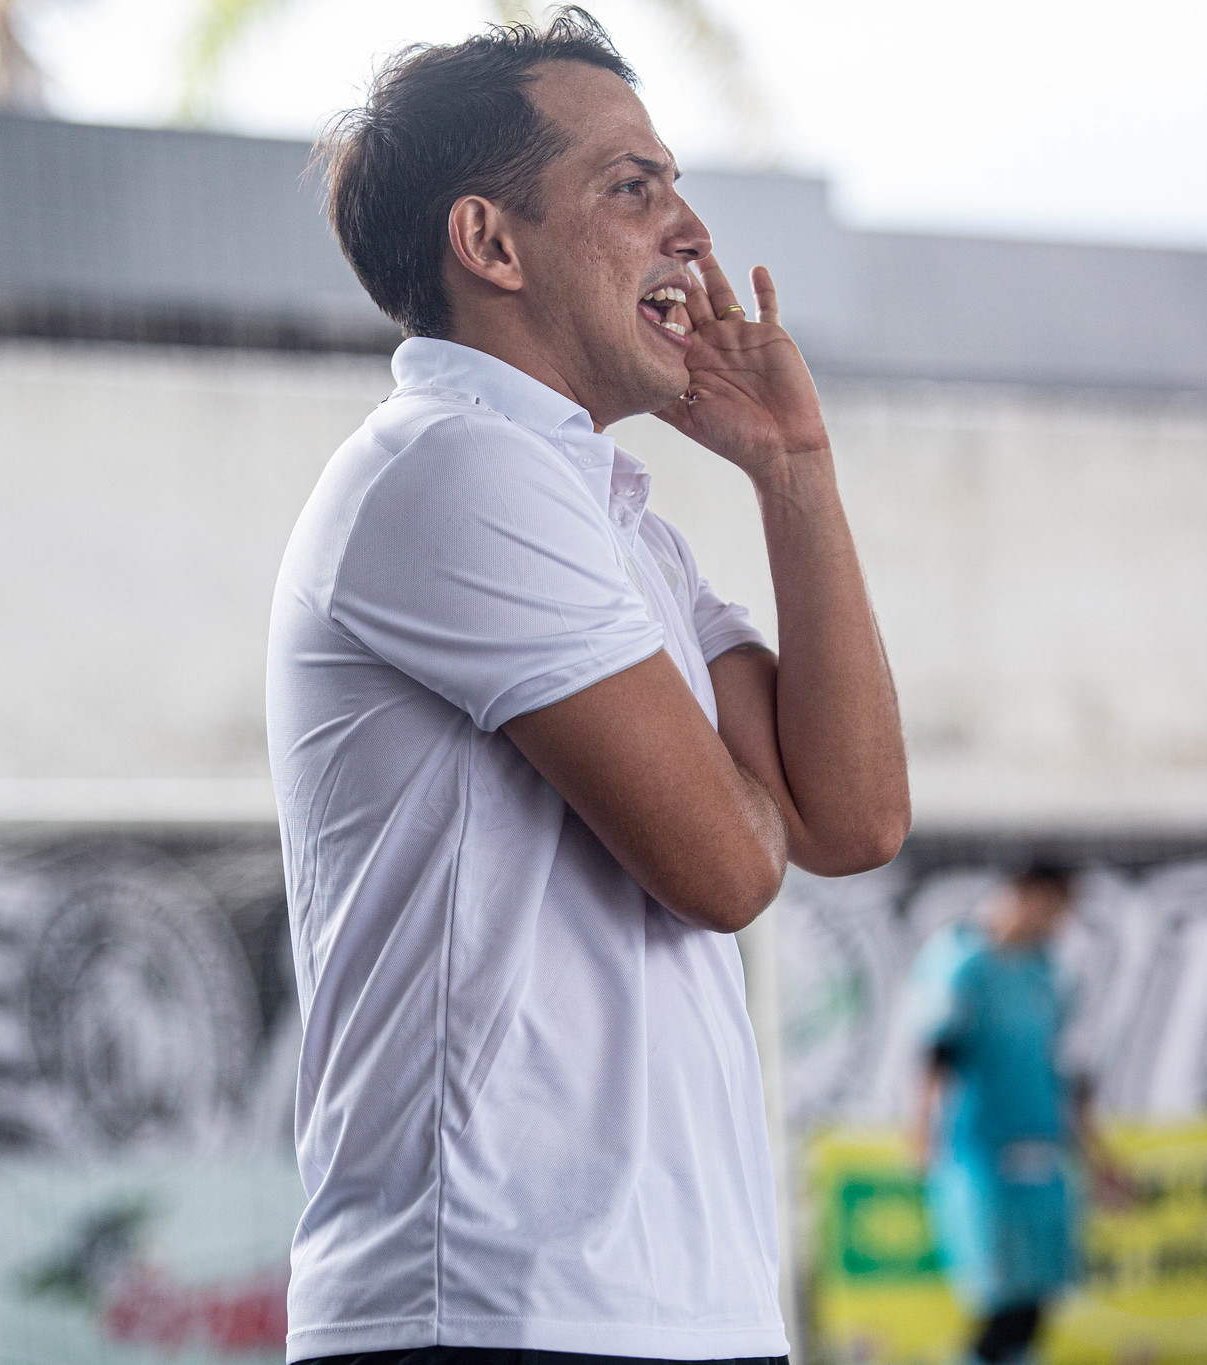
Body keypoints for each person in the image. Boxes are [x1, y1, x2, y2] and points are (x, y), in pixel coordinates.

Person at [266, 10, 910, 1364]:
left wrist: (795, 467)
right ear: (490, 244)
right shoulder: (449, 466)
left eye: (675, 182)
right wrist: (747, 796)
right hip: (496, 1306)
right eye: (631, 187)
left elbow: (848, 821)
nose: (689, 227)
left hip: (658, 1305)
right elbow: (733, 867)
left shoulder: (615, 518)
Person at [906, 863, 1131, 1365]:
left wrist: (1099, 1159)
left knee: (1037, 1300)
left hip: (1045, 1155)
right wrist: (921, 1130)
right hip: (981, 1153)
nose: (1058, 924)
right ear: (1026, 896)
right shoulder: (962, 963)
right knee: (998, 1299)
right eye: (1054, 909)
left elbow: (1068, 1075)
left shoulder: (1048, 973)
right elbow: (935, 1055)